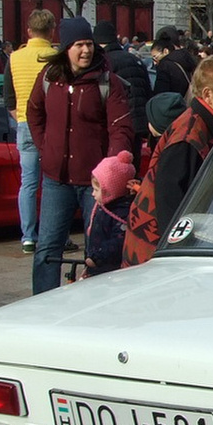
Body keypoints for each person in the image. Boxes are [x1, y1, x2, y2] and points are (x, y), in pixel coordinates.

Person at [27, 17, 135, 294]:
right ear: (66, 48)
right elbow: (34, 112)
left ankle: (93, 302)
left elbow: (120, 128)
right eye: (78, 45)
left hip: (94, 185)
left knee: (95, 251)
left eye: (88, 44)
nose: (86, 50)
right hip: (56, 179)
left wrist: (110, 168)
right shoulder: (49, 77)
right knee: (48, 248)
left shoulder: (106, 81)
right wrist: (45, 147)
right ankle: (41, 305)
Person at [122, 57, 213, 266]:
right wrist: (178, 254)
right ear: (208, 94)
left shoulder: (204, 127)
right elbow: (170, 204)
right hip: (154, 251)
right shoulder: (187, 139)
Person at [2, 9, 56, 253]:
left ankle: (28, 236)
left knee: (28, 182)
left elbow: (9, 98)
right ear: (51, 30)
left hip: (24, 122)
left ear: (28, 31)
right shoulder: (56, 57)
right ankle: (52, 232)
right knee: (54, 182)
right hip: (52, 124)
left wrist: (21, 118)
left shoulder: (14, 58)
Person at [93, 20, 153, 159]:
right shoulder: (135, 59)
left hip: (118, 126)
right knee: (133, 170)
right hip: (139, 122)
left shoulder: (104, 62)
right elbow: (147, 90)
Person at [84, 150, 136, 277]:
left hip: (111, 272)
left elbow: (119, 242)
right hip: (97, 268)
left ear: (110, 191)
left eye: (97, 189)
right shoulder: (103, 208)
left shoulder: (121, 214)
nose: (93, 194)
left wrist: (97, 257)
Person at [152, 26, 200, 96]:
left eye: (155, 57)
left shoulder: (165, 65)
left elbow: (161, 96)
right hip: (191, 103)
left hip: (172, 105)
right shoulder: (191, 59)